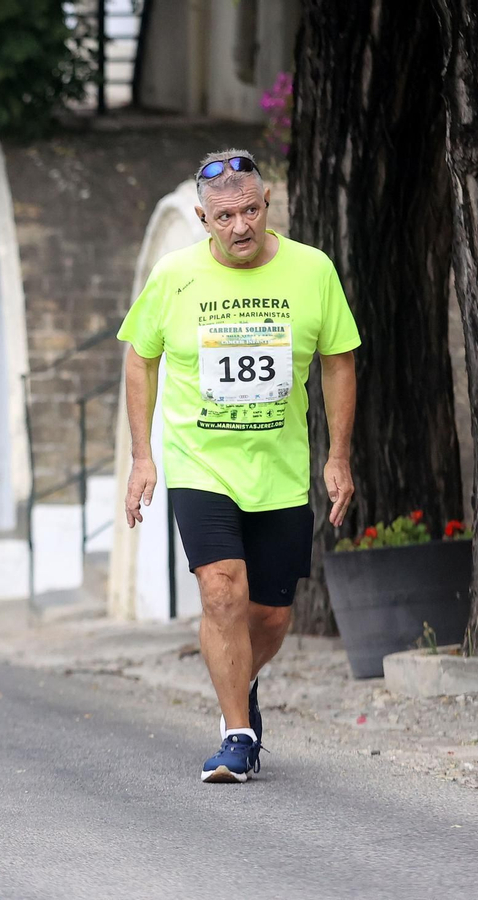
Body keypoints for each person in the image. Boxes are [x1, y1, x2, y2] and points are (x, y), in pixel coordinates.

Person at [118, 149, 359, 784]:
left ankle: (239, 678)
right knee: (221, 588)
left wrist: (338, 455)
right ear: (203, 217)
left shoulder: (313, 271)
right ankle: (237, 734)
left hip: (278, 469)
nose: (240, 226)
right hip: (201, 466)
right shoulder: (175, 276)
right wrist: (143, 457)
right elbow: (139, 358)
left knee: (272, 613)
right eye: (224, 216)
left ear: (268, 206)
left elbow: (338, 360)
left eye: (250, 210)